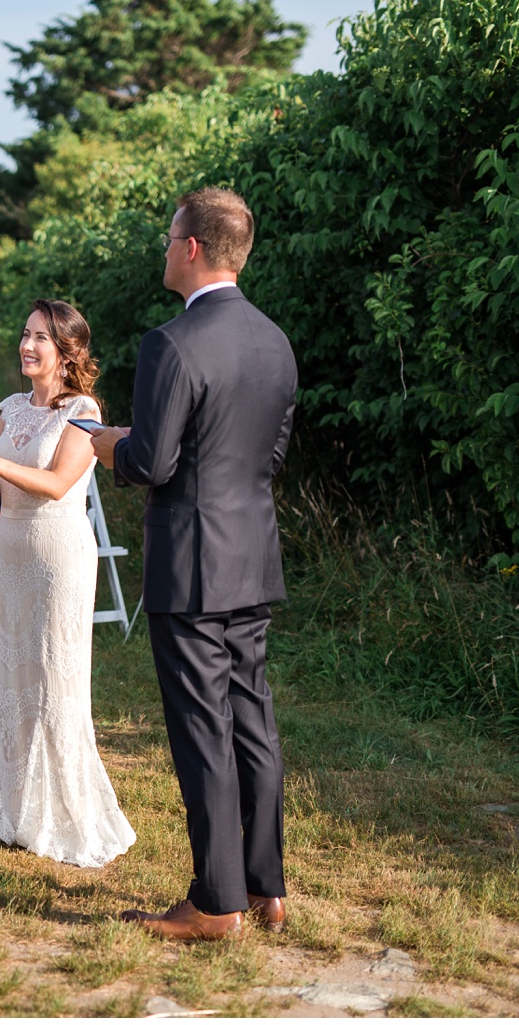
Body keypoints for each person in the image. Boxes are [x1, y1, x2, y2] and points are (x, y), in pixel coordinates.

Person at [90, 187, 297, 941]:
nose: (164, 247)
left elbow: (151, 462)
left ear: (193, 248)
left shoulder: (171, 344)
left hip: (190, 560)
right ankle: (266, 885)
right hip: (251, 555)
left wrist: (106, 441)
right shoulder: (275, 340)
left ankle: (217, 901)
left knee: (203, 731)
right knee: (253, 721)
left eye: (169, 235)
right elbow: (271, 455)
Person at [0, 300, 136, 867]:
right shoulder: (13, 408)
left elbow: (59, 482)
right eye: (25, 334)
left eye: (41, 338)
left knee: (54, 678)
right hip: (10, 552)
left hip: (57, 554)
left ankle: (64, 814)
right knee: (12, 673)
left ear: (67, 352)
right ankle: (12, 810)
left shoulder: (83, 410)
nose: (27, 346)